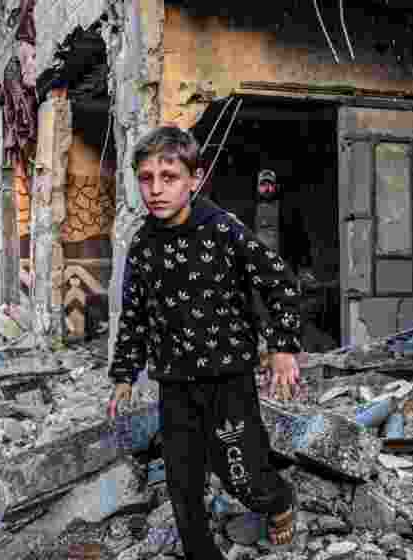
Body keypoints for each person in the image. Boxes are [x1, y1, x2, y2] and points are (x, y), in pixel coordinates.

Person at [106, 126, 302, 559]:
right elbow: (134, 313)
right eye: (146, 178)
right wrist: (124, 374)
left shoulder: (223, 230)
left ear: (194, 179)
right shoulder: (142, 245)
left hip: (228, 380)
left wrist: (283, 347)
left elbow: (280, 282)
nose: (155, 189)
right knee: (182, 485)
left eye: (169, 177)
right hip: (175, 383)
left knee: (241, 473)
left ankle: (278, 500)